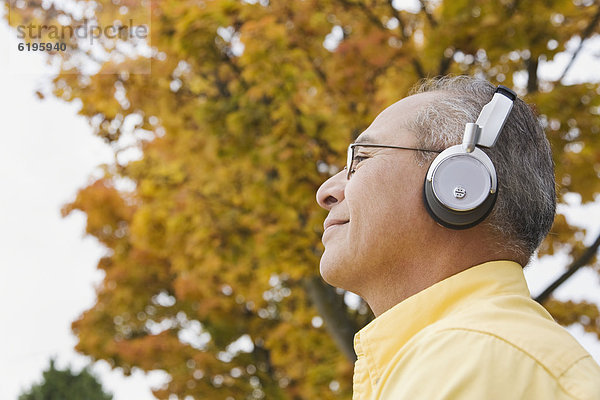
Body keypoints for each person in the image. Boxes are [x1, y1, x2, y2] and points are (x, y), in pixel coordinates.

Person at [316, 76, 600, 399]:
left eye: (362, 158)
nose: (325, 192)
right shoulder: (477, 356)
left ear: (457, 181)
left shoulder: (473, 359)